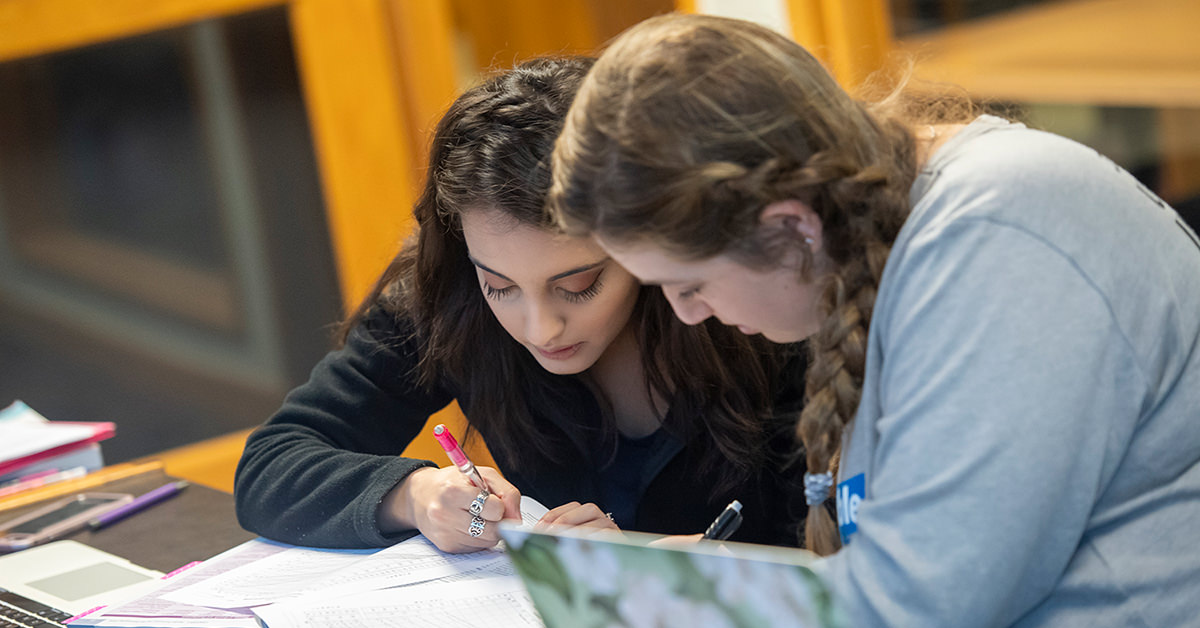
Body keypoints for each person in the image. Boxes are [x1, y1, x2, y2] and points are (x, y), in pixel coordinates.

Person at [548, 13, 1200, 628]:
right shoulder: (883, 243)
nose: (688, 315)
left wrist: (698, 602)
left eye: (689, 284)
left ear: (791, 228)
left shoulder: (998, 236)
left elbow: (921, 603)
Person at [234, 56, 808, 555]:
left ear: (640, 238)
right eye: (500, 286)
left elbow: (851, 552)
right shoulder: (445, 301)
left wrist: (666, 564)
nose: (540, 327)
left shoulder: (753, 309)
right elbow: (271, 465)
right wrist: (414, 495)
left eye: (579, 284)